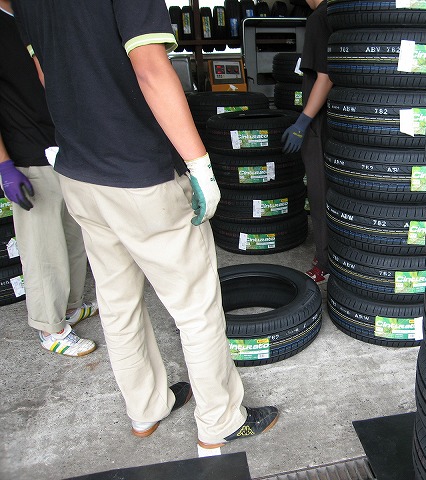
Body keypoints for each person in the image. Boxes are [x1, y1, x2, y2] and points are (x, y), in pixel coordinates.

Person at [14, 0, 278, 458]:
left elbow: (44, 72)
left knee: (117, 303)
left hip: (79, 173)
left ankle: (146, 409)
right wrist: (200, 165)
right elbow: (152, 68)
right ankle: (220, 422)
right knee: (195, 309)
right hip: (141, 175)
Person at [0, 1, 98, 357]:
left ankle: (69, 307)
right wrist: (4, 165)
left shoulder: (32, 16)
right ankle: (49, 327)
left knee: (73, 235)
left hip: (63, 145)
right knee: (43, 247)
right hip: (25, 152)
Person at [281, 0, 333, 283]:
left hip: (319, 122)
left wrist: (303, 122)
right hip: (338, 118)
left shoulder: (319, 17)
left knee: (318, 190)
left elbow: (325, 77)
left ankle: (324, 263)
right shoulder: (339, 13)